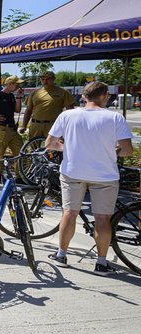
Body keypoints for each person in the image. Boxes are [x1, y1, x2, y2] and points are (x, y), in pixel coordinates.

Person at [45, 81, 133, 275]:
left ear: (84, 97)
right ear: (103, 96)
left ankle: (61, 254)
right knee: (102, 218)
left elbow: (50, 143)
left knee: (69, 213)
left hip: (72, 171)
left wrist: (67, 148)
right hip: (104, 174)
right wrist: (112, 152)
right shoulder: (114, 117)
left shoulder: (67, 115)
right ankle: (101, 263)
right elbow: (127, 150)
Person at [20, 71, 76, 139]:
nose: (45, 81)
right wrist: (24, 126)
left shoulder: (63, 92)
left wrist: (68, 126)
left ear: (53, 79)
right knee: (34, 148)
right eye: (43, 79)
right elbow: (28, 110)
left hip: (53, 125)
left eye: (48, 79)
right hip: (36, 125)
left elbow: (70, 112)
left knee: (52, 148)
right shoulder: (34, 93)